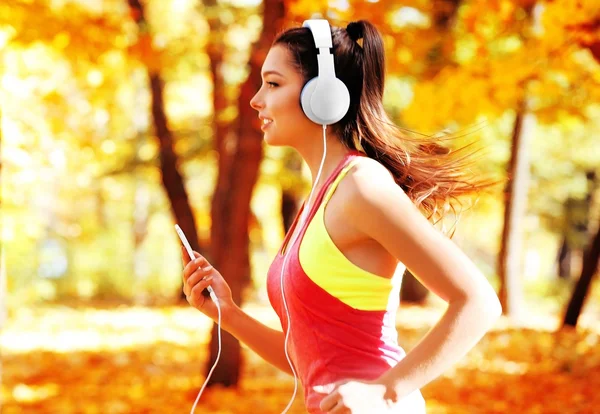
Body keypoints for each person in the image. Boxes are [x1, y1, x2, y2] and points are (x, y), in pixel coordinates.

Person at [182, 19, 502, 414]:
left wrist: (384, 392)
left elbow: (478, 302)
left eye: (274, 83)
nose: (256, 99)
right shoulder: (319, 196)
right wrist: (227, 315)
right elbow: (311, 363)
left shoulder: (361, 187)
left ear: (323, 95)